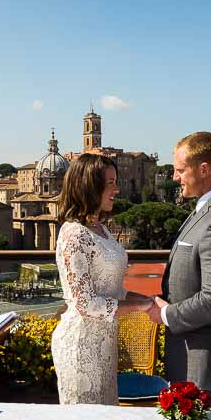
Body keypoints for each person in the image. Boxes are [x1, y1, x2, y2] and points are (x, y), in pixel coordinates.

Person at [147, 132, 211, 409]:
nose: (174, 177)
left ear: (203, 169)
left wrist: (166, 314)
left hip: (210, 369)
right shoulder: (208, 211)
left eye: (180, 170)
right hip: (197, 363)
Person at [52, 153, 151, 404]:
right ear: (88, 186)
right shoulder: (74, 234)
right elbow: (85, 304)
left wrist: (150, 300)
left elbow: (114, 291)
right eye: (110, 183)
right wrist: (142, 306)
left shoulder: (100, 229)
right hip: (80, 346)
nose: (117, 189)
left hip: (104, 345)